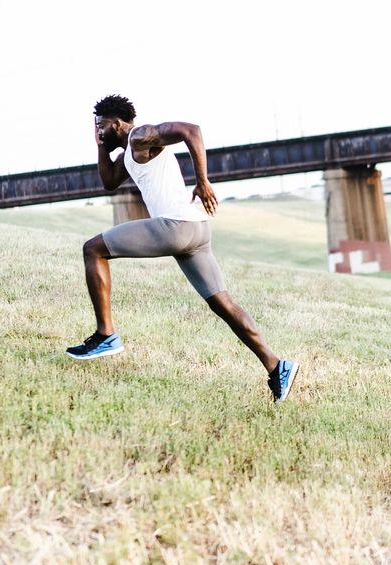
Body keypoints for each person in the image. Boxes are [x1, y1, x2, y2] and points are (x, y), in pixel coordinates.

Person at [66, 94, 298, 403]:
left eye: (101, 127)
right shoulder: (127, 156)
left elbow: (191, 130)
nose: (98, 132)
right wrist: (99, 145)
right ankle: (276, 366)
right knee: (223, 304)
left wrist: (203, 181)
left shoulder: (140, 135)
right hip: (196, 232)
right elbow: (109, 182)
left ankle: (105, 335)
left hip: (176, 226)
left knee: (93, 249)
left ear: (118, 124)